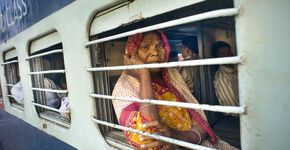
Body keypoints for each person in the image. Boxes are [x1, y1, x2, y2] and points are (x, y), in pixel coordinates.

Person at [112, 31, 238, 149]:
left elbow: (201, 125)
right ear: (131, 53)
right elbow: (150, 141)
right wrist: (144, 74)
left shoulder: (172, 76)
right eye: (146, 47)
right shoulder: (124, 88)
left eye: (160, 46)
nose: (155, 52)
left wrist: (177, 137)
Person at [212, 41, 239, 107]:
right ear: (217, 58)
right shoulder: (223, 78)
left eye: (229, 52)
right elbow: (233, 109)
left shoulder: (236, 69)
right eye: (222, 54)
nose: (227, 56)